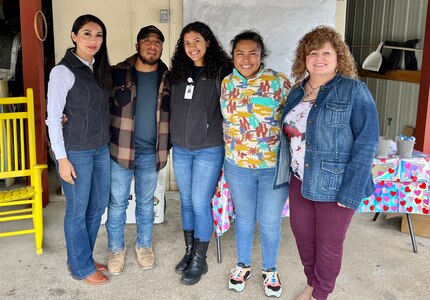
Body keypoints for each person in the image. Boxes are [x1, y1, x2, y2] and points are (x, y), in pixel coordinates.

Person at [273, 26, 379, 300]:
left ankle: (320, 294)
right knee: (304, 239)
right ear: (304, 58)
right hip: (299, 180)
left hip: (336, 184)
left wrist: (351, 191)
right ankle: (312, 282)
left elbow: (366, 143)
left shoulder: (354, 90)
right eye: (313, 53)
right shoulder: (297, 91)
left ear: (338, 57)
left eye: (326, 53)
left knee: (329, 245)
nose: (319, 58)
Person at [220, 30, 291, 298]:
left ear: (262, 55)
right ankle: (243, 265)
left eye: (253, 53)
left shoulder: (279, 82)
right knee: (245, 219)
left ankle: (270, 269)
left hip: (273, 167)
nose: (246, 59)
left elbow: (294, 118)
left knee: (270, 221)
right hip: (237, 166)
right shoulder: (226, 83)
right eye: (240, 53)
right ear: (233, 56)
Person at [46, 14, 112, 285]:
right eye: (87, 34)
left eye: (98, 35)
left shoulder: (98, 68)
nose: (94, 40)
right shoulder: (63, 71)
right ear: (74, 36)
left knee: (96, 206)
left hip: (101, 149)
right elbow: (53, 117)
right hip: (76, 152)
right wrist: (61, 159)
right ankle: (81, 268)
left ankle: (81, 256)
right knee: (77, 210)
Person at [170, 21, 232, 285]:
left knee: (199, 202)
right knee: (185, 202)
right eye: (186, 43)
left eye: (196, 41)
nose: (192, 47)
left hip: (208, 148)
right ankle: (189, 251)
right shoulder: (178, 73)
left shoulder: (222, 72)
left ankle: (200, 259)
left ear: (208, 41)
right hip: (182, 148)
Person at [105, 25, 170, 275]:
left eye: (157, 42)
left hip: (152, 153)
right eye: (147, 41)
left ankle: (144, 245)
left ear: (161, 47)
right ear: (137, 45)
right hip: (120, 151)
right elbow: (99, 103)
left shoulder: (169, 77)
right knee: (118, 203)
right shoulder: (117, 73)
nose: (152, 46)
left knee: (145, 203)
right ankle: (116, 249)